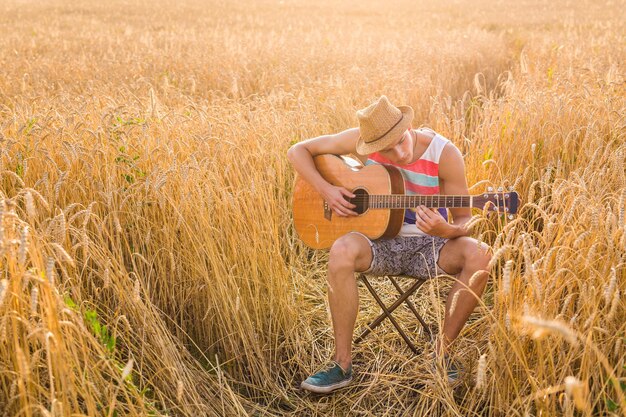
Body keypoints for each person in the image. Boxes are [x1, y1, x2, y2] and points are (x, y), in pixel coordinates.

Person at [287, 95, 492, 394]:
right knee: (341, 250)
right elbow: (297, 151)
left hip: (431, 246)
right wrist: (328, 190)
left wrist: (445, 229)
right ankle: (341, 365)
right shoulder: (360, 141)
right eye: (386, 149)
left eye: (401, 141)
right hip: (378, 241)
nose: (398, 153)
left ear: (408, 126)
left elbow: (465, 219)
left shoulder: (444, 154)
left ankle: (442, 354)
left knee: (481, 252)